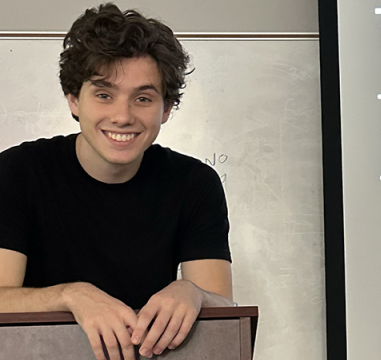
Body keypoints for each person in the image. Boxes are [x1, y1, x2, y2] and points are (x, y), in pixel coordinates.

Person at [0, 4, 234, 360]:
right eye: (104, 94)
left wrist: (194, 293)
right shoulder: (18, 171)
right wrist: (70, 295)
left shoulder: (194, 183)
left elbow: (224, 315)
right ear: (74, 100)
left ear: (166, 109)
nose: (123, 116)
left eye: (143, 98)